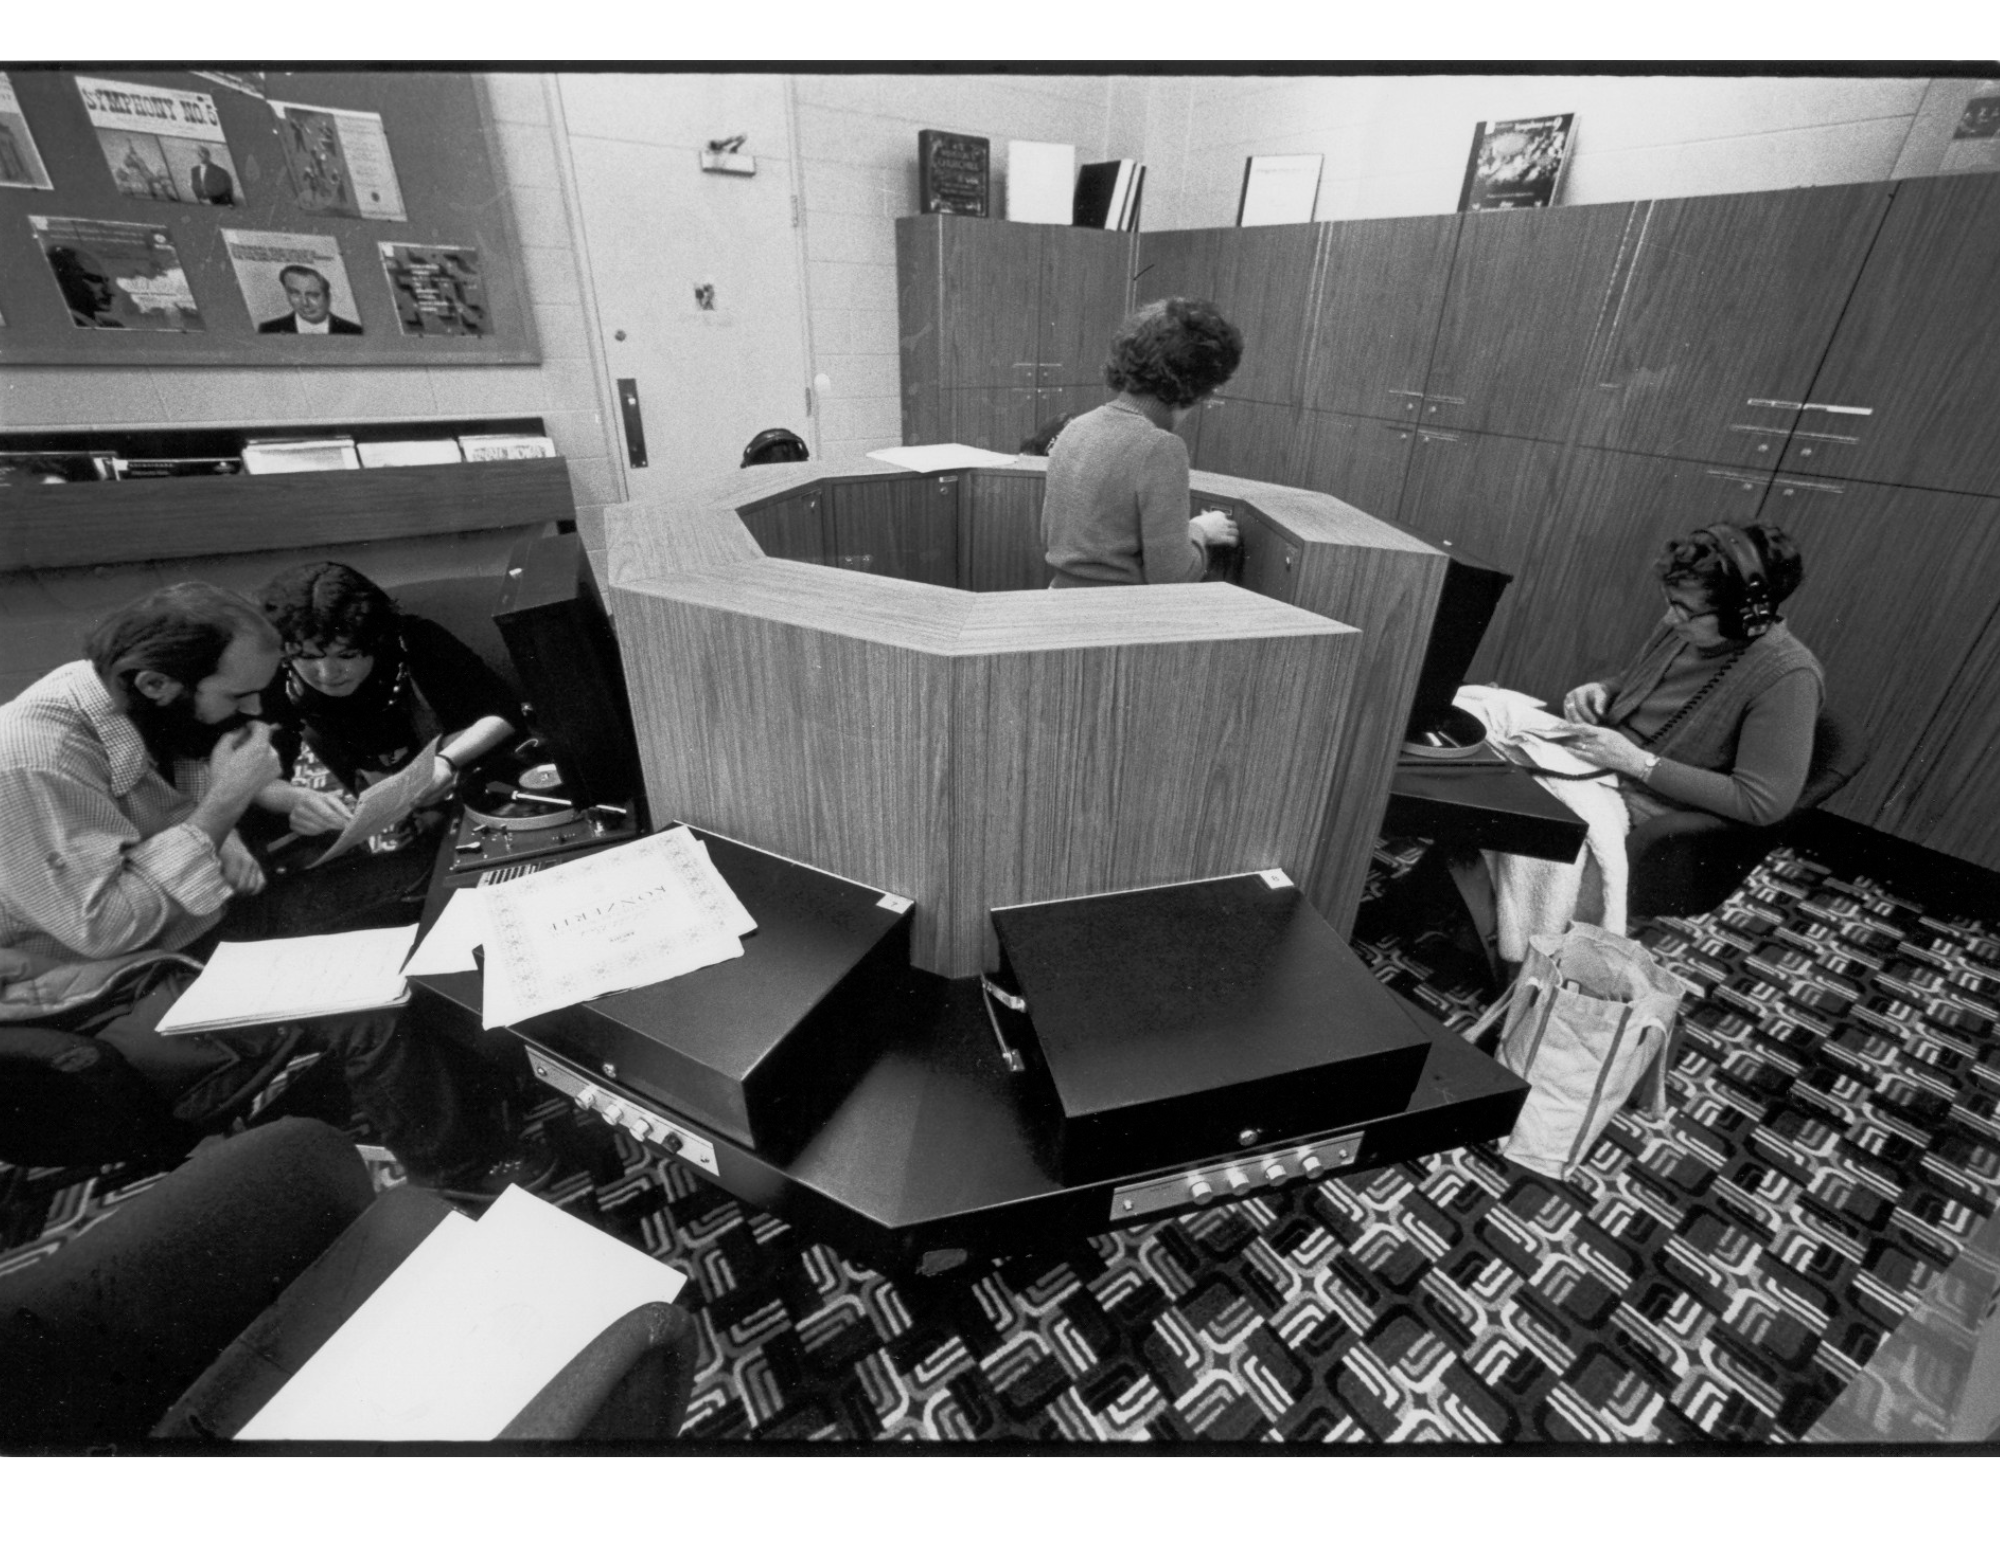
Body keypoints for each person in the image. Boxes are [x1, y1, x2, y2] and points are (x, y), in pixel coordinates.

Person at [0, 582, 548, 1195]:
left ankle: (489, 1075)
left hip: (193, 915)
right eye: (237, 694)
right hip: (113, 979)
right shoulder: (32, 757)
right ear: (157, 684)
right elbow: (105, 928)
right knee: (364, 1007)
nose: (256, 709)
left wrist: (244, 817)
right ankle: (458, 1174)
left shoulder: (120, 695)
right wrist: (224, 807)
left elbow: (170, 798)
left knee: (429, 877)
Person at [1542, 522, 1822, 830]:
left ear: (1740, 618)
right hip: (1603, 764)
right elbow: (1636, 680)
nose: (1670, 618)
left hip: (1646, 801)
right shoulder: (1687, 627)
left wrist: (1638, 763)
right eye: (1670, 602)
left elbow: (1760, 802)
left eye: (1685, 609)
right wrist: (1603, 689)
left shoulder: (1789, 676)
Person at [255, 562, 522, 836]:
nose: (327, 674)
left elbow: (505, 713)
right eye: (308, 657)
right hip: (377, 820)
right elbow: (253, 777)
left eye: (346, 655)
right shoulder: (272, 676)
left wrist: (445, 762)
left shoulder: (415, 639)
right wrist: (300, 800)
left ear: (377, 640)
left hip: (469, 789)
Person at [1042, 298, 1243, 587]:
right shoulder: (1160, 448)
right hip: (1121, 620)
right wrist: (1199, 530)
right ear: (1203, 385)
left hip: (1056, 603)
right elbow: (1173, 577)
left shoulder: (1076, 428)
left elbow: (1048, 536)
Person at [257, 264, 364, 335]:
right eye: (295, 293)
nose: (304, 303)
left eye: (313, 295)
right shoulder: (268, 329)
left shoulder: (353, 330)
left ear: (329, 297)